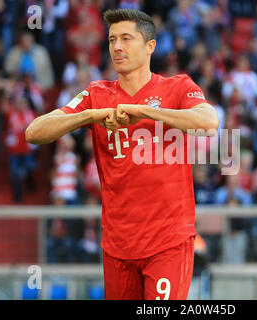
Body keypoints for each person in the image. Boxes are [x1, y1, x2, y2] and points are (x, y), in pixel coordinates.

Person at [25, 9, 219, 300]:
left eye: (127, 38)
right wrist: (88, 115)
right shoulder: (97, 94)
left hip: (168, 240)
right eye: (112, 39)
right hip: (118, 245)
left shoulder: (177, 87)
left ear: (150, 46)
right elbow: (34, 132)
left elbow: (209, 121)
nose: (117, 46)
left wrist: (143, 112)